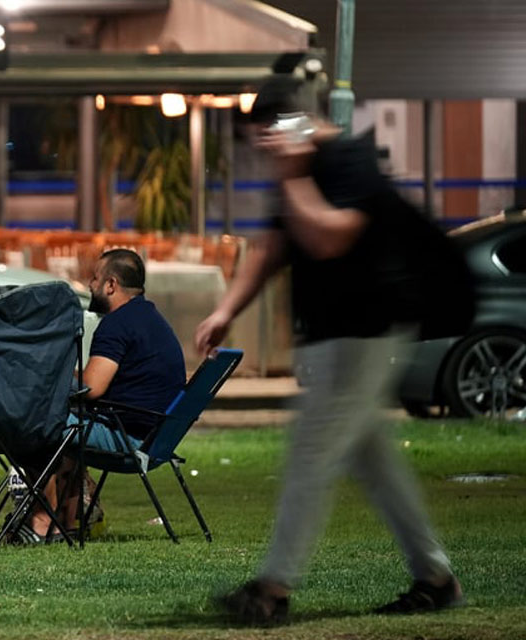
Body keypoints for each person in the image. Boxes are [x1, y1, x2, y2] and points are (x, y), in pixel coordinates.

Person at [195, 74, 463, 622]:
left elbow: (329, 236)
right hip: (330, 340)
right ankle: (436, 578)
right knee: (377, 466)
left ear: (288, 122)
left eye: (265, 135)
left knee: (310, 455)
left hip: (363, 335)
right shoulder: (297, 172)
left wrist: (293, 173)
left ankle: (273, 588)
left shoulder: (347, 161)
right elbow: (273, 247)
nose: (264, 149)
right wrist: (226, 310)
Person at [20, 249, 186, 543]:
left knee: (38, 421)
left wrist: (49, 375)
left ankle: (41, 519)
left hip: (130, 440)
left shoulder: (116, 323)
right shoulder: (151, 318)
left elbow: (91, 387)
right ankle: (66, 523)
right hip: (158, 438)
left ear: (111, 284)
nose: (90, 285)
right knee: (67, 424)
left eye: (95, 278)